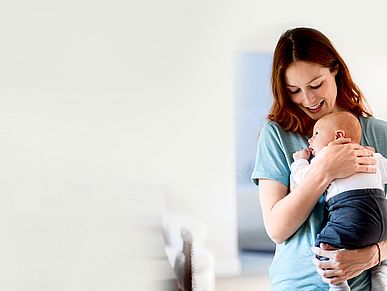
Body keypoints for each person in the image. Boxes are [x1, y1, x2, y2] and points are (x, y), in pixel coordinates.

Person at [251, 27, 387, 290]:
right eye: (294, 90)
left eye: (316, 85)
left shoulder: (379, 134)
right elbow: (277, 229)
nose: (308, 99)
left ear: (335, 69)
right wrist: (324, 169)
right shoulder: (277, 135)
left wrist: (375, 254)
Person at [291, 111, 387, 291]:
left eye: (316, 134)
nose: (310, 140)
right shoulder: (369, 157)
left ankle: (339, 285)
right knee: (381, 258)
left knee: (323, 248)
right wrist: (375, 157)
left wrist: (300, 161)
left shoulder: (325, 158)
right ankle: (380, 279)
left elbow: (302, 178)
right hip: (383, 225)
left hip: (352, 218)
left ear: (338, 136)